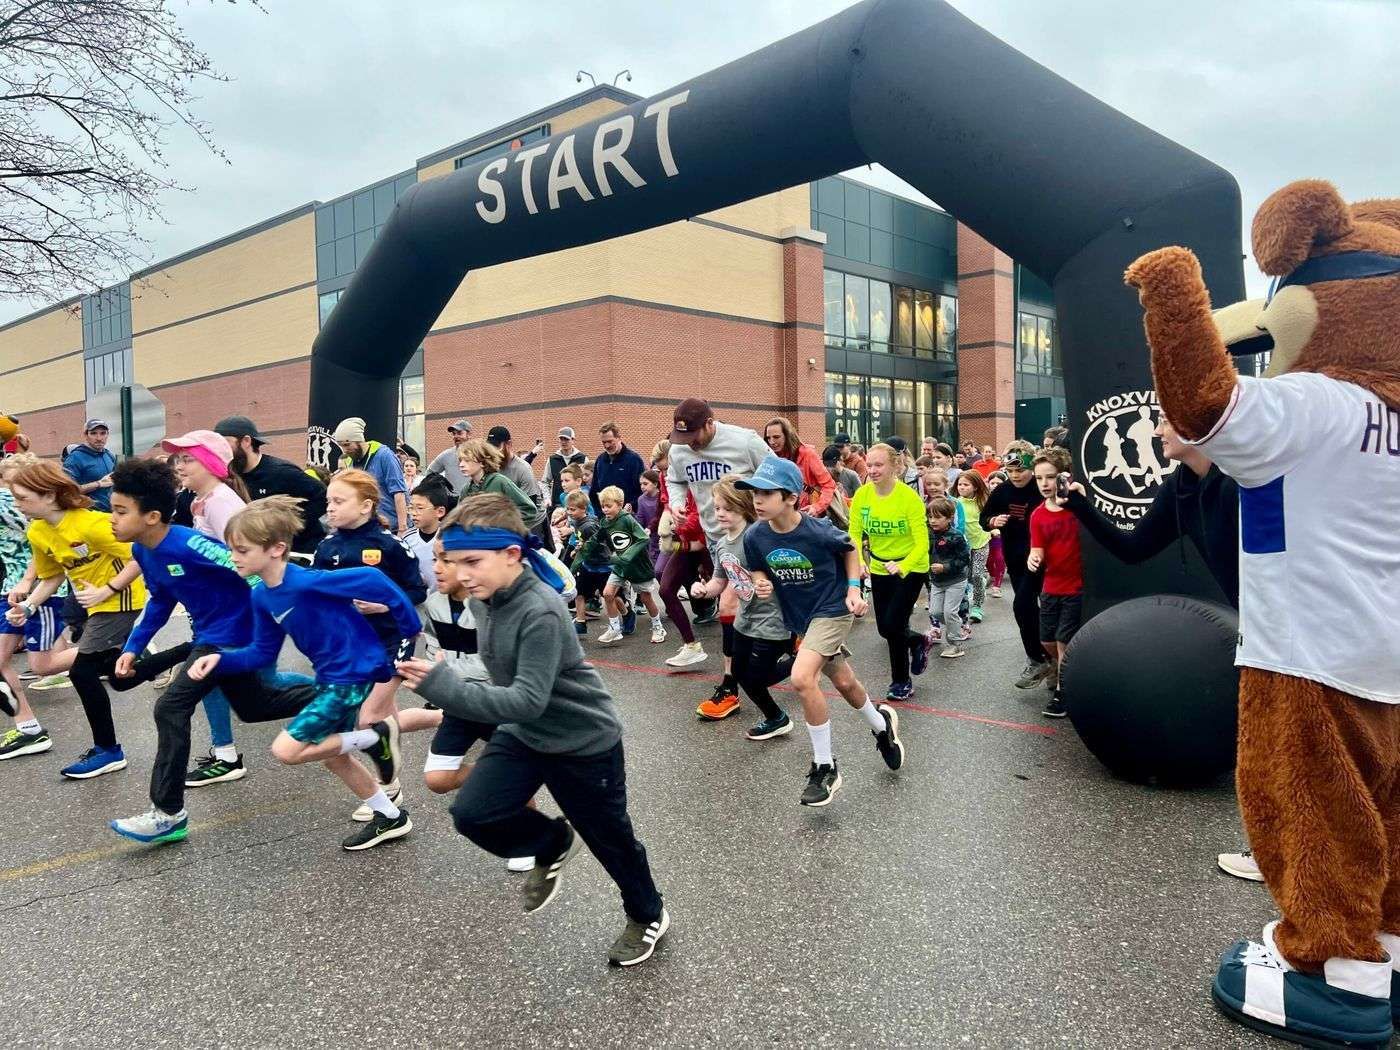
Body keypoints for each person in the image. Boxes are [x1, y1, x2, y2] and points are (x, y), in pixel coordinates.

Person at [395, 493, 671, 968]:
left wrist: (444, 686)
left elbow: (527, 700)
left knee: (611, 841)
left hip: (582, 740)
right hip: (524, 734)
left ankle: (648, 913)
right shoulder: (485, 592)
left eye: (472, 561)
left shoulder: (539, 610)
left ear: (512, 555)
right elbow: (437, 589)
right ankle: (549, 841)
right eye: (454, 562)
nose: (461, 574)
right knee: (474, 814)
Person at [179, 496, 421, 850]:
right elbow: (262, 652)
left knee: (286, 750)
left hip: (354, 674)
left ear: (277, 549)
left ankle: (375, 739)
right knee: (335, 758)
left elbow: (373, 579)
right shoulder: (262, 596)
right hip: (329, 678)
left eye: (242, 550)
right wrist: (220, 661)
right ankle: (391, 817)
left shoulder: (308, 582)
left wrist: (408, 628)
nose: (234, 557)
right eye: (232, 549)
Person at [737, 457, 905, 807]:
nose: (756, 499)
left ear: (790, 497)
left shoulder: (816, 529)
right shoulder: (755, 536)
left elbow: (850, 549)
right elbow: (757, 571)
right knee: (843, 682)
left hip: (832, 609)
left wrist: (854, 589)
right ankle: (880, 725)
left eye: (766, 493)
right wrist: (762, 583)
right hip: (801, 618)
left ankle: (825, 767)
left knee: (801, 677)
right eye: (754, 492)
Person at [5, 460, 147, 778]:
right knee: (120, 676)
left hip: (120, 600)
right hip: (93, 604)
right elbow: (52, 576)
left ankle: (109, 751)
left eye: (22, 498)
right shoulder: (39, 531)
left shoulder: (92, 524)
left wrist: (107, 589)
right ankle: (156, 654)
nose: (17, 504)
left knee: (82, 672)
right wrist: (27, 607)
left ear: (50, 496)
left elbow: (140, 555)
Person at [313, 470, 427, 778]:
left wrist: (384, 604)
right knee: (387, 719)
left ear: (366, 506)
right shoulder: (326, 548)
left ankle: (387, 786)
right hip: (353, 645)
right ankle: (448, 717)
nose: (330, 508)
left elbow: (418, 589)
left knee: (369, 718)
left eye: (339, 501)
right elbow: (316, 593)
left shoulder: (390, 546)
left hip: (394, 637)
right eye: (328, 501)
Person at [666, 398, 771, 713]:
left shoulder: (744, 441)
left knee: (733, 602)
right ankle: (789, 642)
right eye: (683, 438)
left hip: (753, 536)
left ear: (710, 423)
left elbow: (780, 475)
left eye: (694, 435)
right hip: (716, 539)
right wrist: (676, 502)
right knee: (746, 601)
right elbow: (674, 478)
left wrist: (767, 515)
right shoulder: (679, 449)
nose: (690, 445)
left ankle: (730, 686)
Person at [161, 429, 252, 785]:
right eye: (178, 459)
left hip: (231, 611)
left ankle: (329, 698)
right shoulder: (202, 500)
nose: (179, 466)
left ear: (211, 463)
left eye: (188, 459)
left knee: (254, 686)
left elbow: (244, 557)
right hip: (213, 610)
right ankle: (225, 753)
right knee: (216, 680)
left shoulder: (220, 501)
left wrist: (194, 560)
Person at [699, 475, 794, 735]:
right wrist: (703, 589)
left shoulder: (757, 537)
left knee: (757, 678)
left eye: (728, 508)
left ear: (743, 506)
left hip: (771, 616)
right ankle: (776, 718)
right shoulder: (721, 544)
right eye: (717, 508)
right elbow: (719, 582)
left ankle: (804, 662)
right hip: (745, 618)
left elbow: (783, 571)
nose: (720, 514)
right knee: (739, 674)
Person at [0, 454, 74, 760]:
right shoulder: (16, 505)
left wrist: (27, 583)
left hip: (30, 591)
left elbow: (41, 550)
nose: (12, 492)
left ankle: (118, 647)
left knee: (41, 665)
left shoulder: (15, 506)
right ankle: (28, 728)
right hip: (14, 590)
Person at [848, 443, 931, 702]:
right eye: (869, 464)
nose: (872, 470)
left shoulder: (908, 498)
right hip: (879, 567)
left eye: (878, 465)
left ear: (895, 466)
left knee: (895, 624)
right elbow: (853, 533)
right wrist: (859, 561)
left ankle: (901, 682)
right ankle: (917, 641)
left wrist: (904, 565)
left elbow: (922, 543)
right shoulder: (863, 495)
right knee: (884, 628)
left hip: (911, 567)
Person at [980, 441, 1050, 689]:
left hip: (1046, 560)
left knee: (1037, 608)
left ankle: (1048, 660)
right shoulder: (1002, 492)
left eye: (1020, 470)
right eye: (1010, 471)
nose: (1015, 475)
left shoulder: (1042, 487)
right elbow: (983, 518)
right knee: (1024, 608)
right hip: (1017, 560)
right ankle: (1039, 658)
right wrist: (992, 520)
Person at [215, 415, 327, 557]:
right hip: (259, 556)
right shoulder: (230, 477)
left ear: (246, 441)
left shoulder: (282, 472)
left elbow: (323, 495)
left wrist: (290, 525)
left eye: (225, 443)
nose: (220, 450)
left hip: (297, 554)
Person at [1026, 447, 1081, 718]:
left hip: (1077, 585)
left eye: (1050, 477)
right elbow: (1037, 550)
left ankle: (1063, 691)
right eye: (1039, 478)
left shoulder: (1076, 506)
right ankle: (1066, 671)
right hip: (1051, 585)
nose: (1044, 483)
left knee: (1063, 639)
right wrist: (1032, 559)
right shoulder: (1037, 515)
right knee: (1047, 640)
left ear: (1064, 477)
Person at [576, 486, 665, 646]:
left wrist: (627, 556)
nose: (605, 510)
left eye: (609, 506)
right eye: (603, 506)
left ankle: (658, 627)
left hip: (638, 566)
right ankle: (615, 629)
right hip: (620, 566)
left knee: (645, 597)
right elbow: (597, 537)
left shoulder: (627, 519)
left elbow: (643, 538)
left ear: (620, 504)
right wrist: (585, 547)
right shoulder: (605, 522)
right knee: (608, 594)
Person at [332, 417, 409, 535]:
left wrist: (402, 528)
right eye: (341, 446)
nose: (344, 450)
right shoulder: (350, 462)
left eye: (347, 444)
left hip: (393, 527)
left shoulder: (384, 456)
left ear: (359, 440)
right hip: (370, 528)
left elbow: (399, 493)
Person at [485, 426, 551, 549]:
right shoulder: (491, 467)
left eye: (497, 447)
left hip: (533, 523)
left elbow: (530, 507)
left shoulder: (522, 469)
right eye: (490, 448)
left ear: (509, 444)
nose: (493, 452)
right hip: (506, 522)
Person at [926, 497, 971, 659]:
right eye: (930, 516)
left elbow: (964, 559)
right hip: (937, 582)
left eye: (938, 517)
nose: (933, 521)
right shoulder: (928, 533)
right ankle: (958, 627)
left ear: (950, 518)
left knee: (949, 612)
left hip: (956, 581)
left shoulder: (956, 536)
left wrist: (945, 567)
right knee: (936, 612)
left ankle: (956, 645)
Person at [763, 416, 836, 516]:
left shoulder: (807, 454)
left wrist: (817, 507)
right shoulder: (771, 458)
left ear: (787, 435)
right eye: (768, 438)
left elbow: (829, 485)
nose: (771, 442)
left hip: (808, 515)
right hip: (783, 514)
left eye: (776, 437)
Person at [458, 439, 538, 524]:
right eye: (460, 460)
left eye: (467, 460)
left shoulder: (500, 482)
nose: (461, 465)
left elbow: (529, 510)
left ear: (482, 462)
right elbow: (460, 518)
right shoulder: (466, 490)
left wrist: (504, 527)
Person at [954, 469, 992, 622]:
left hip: (981, 543)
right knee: (968, 577)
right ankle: (978, 586)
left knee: (976, 575)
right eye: (960, 484)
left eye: (966, 485)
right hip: (963, 545)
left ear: (975, 486)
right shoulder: (955, 502)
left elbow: (991, 518)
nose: (961, 487)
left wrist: (994, 529)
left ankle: (977, 606)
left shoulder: (984, 501)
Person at [405, 476, 455, 590]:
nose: (413, 513)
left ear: (439, 511)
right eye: (411, 508)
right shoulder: (407, 539)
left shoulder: (451, 538)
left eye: (419, 508)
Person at [590, 422, 646, 518]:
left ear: (619, 438)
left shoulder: (634, 460)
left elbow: (641, 491)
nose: (607, 445)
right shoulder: (600, 460)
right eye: (604, 442)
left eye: (610, 441)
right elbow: (594, 491)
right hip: (605, 518)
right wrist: (600, 513)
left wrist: (630, 507)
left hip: (627, 517)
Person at [62, 419, 117, 512]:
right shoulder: (74, 458)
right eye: (94, 433)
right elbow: (67, 492)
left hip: (111, 516)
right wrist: (98, 484)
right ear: (85, 435)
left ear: (107, 435)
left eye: (103, 433)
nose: (99, 438)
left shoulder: (109, 455)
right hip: (88, 517)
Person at [540, 427, 589, 509]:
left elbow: (589, 481)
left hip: (578, 506)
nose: (563, 442)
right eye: (561, 439)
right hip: (557, 505)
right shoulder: (552, 459)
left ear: (573, 440)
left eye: (566, 439)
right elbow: (544, 482)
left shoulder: (583, 459)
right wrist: (547, 499)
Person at [425, 419, 474, 496]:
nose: (456, 436)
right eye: (454, 434)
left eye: (459, 433)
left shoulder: (478, 453)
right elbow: (429, 473)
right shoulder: (446, 455)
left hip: (474, 501)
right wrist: (440, 489)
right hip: (452, 502)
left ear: (469, 434)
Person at [985, 471, 1008, 596]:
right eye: (992, 482)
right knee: (988, 559)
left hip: (1001, 534)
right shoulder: (983, 497)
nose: (995, 485)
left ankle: (997, 586)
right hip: (985, 533)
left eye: (998, 483)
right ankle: (993, 575)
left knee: (999, 557)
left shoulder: (1008, 497)